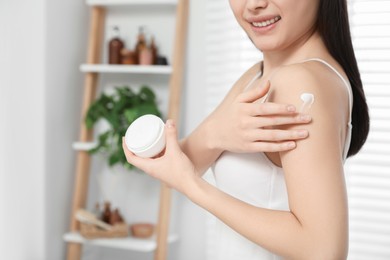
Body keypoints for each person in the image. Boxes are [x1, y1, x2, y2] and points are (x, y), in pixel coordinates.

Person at [123, 0, 370, 259]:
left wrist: (194, 187)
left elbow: (323, 250)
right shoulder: (259, 75)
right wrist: (215, 133)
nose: (253, 4)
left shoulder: (299, 81)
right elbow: (176, 165)